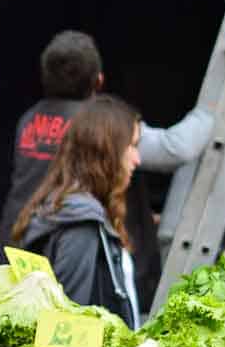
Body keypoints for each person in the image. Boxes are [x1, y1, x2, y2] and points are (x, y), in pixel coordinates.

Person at [0, 30, 213, 305]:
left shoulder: (28, 120)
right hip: (67, 257)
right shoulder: (101, 128)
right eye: (131, 147)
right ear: (99, 81)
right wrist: (212, 111)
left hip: (21, 252)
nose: (136, 158)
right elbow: (177, 147)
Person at [11, 94, 142, 328]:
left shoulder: (66, 208)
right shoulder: (81, 223)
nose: (137, 159)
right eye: (131, 146)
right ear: (107, 152)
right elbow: (67, 322)